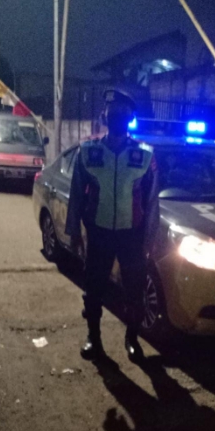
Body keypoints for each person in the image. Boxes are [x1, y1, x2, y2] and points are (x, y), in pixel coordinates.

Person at [65, 89, 159, 363]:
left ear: (130, 118)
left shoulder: (145, 155)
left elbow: (152, 201)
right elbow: (76, 195)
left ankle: (132, 339)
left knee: (135, 291)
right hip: (99, 233)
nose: (116, 117)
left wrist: (149, 239)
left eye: (122, 113)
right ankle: (93, 338)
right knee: (93, 290)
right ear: (104, 116)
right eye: (112, 112)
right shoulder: (88, 151)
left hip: (132, 235)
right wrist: (74, 232)